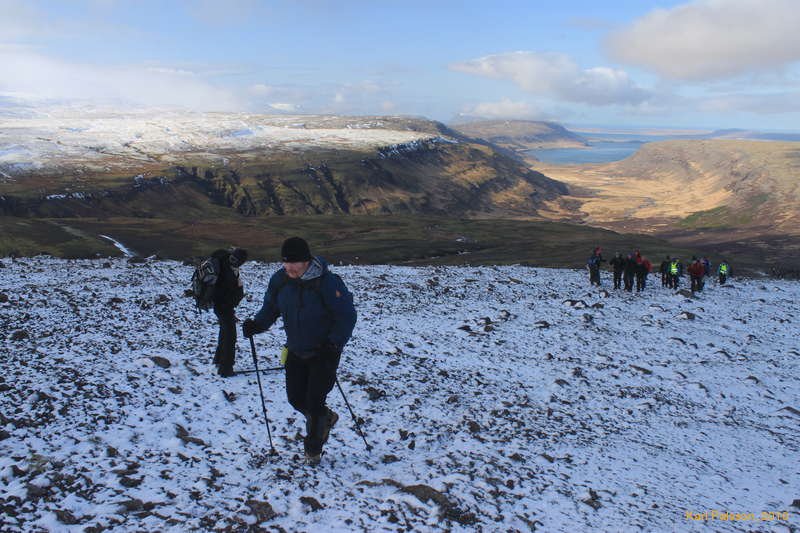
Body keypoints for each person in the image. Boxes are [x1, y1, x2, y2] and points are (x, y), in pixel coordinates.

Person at [242, 237, 357, 465]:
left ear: (306, 261)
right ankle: (326, 418)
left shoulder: (328, 283)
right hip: (295, 348)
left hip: (324, 351)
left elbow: (346, 316)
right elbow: (271, 308)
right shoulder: (280, 281)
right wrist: (258, 325)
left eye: (294, 263)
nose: (289, 268)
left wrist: (333, 343)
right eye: (286, 263)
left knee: (314, 401)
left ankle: (312, 451)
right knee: (296, 398)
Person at [211, 247, 248, 378]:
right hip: (224, 307)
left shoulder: (222, 264)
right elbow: (234, 297)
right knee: (230, 337)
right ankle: (226, 368)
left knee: (224, 332)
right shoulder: (228, 273)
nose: (234, 262)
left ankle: (218, 360)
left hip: (219, 306)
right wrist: (239, 287)